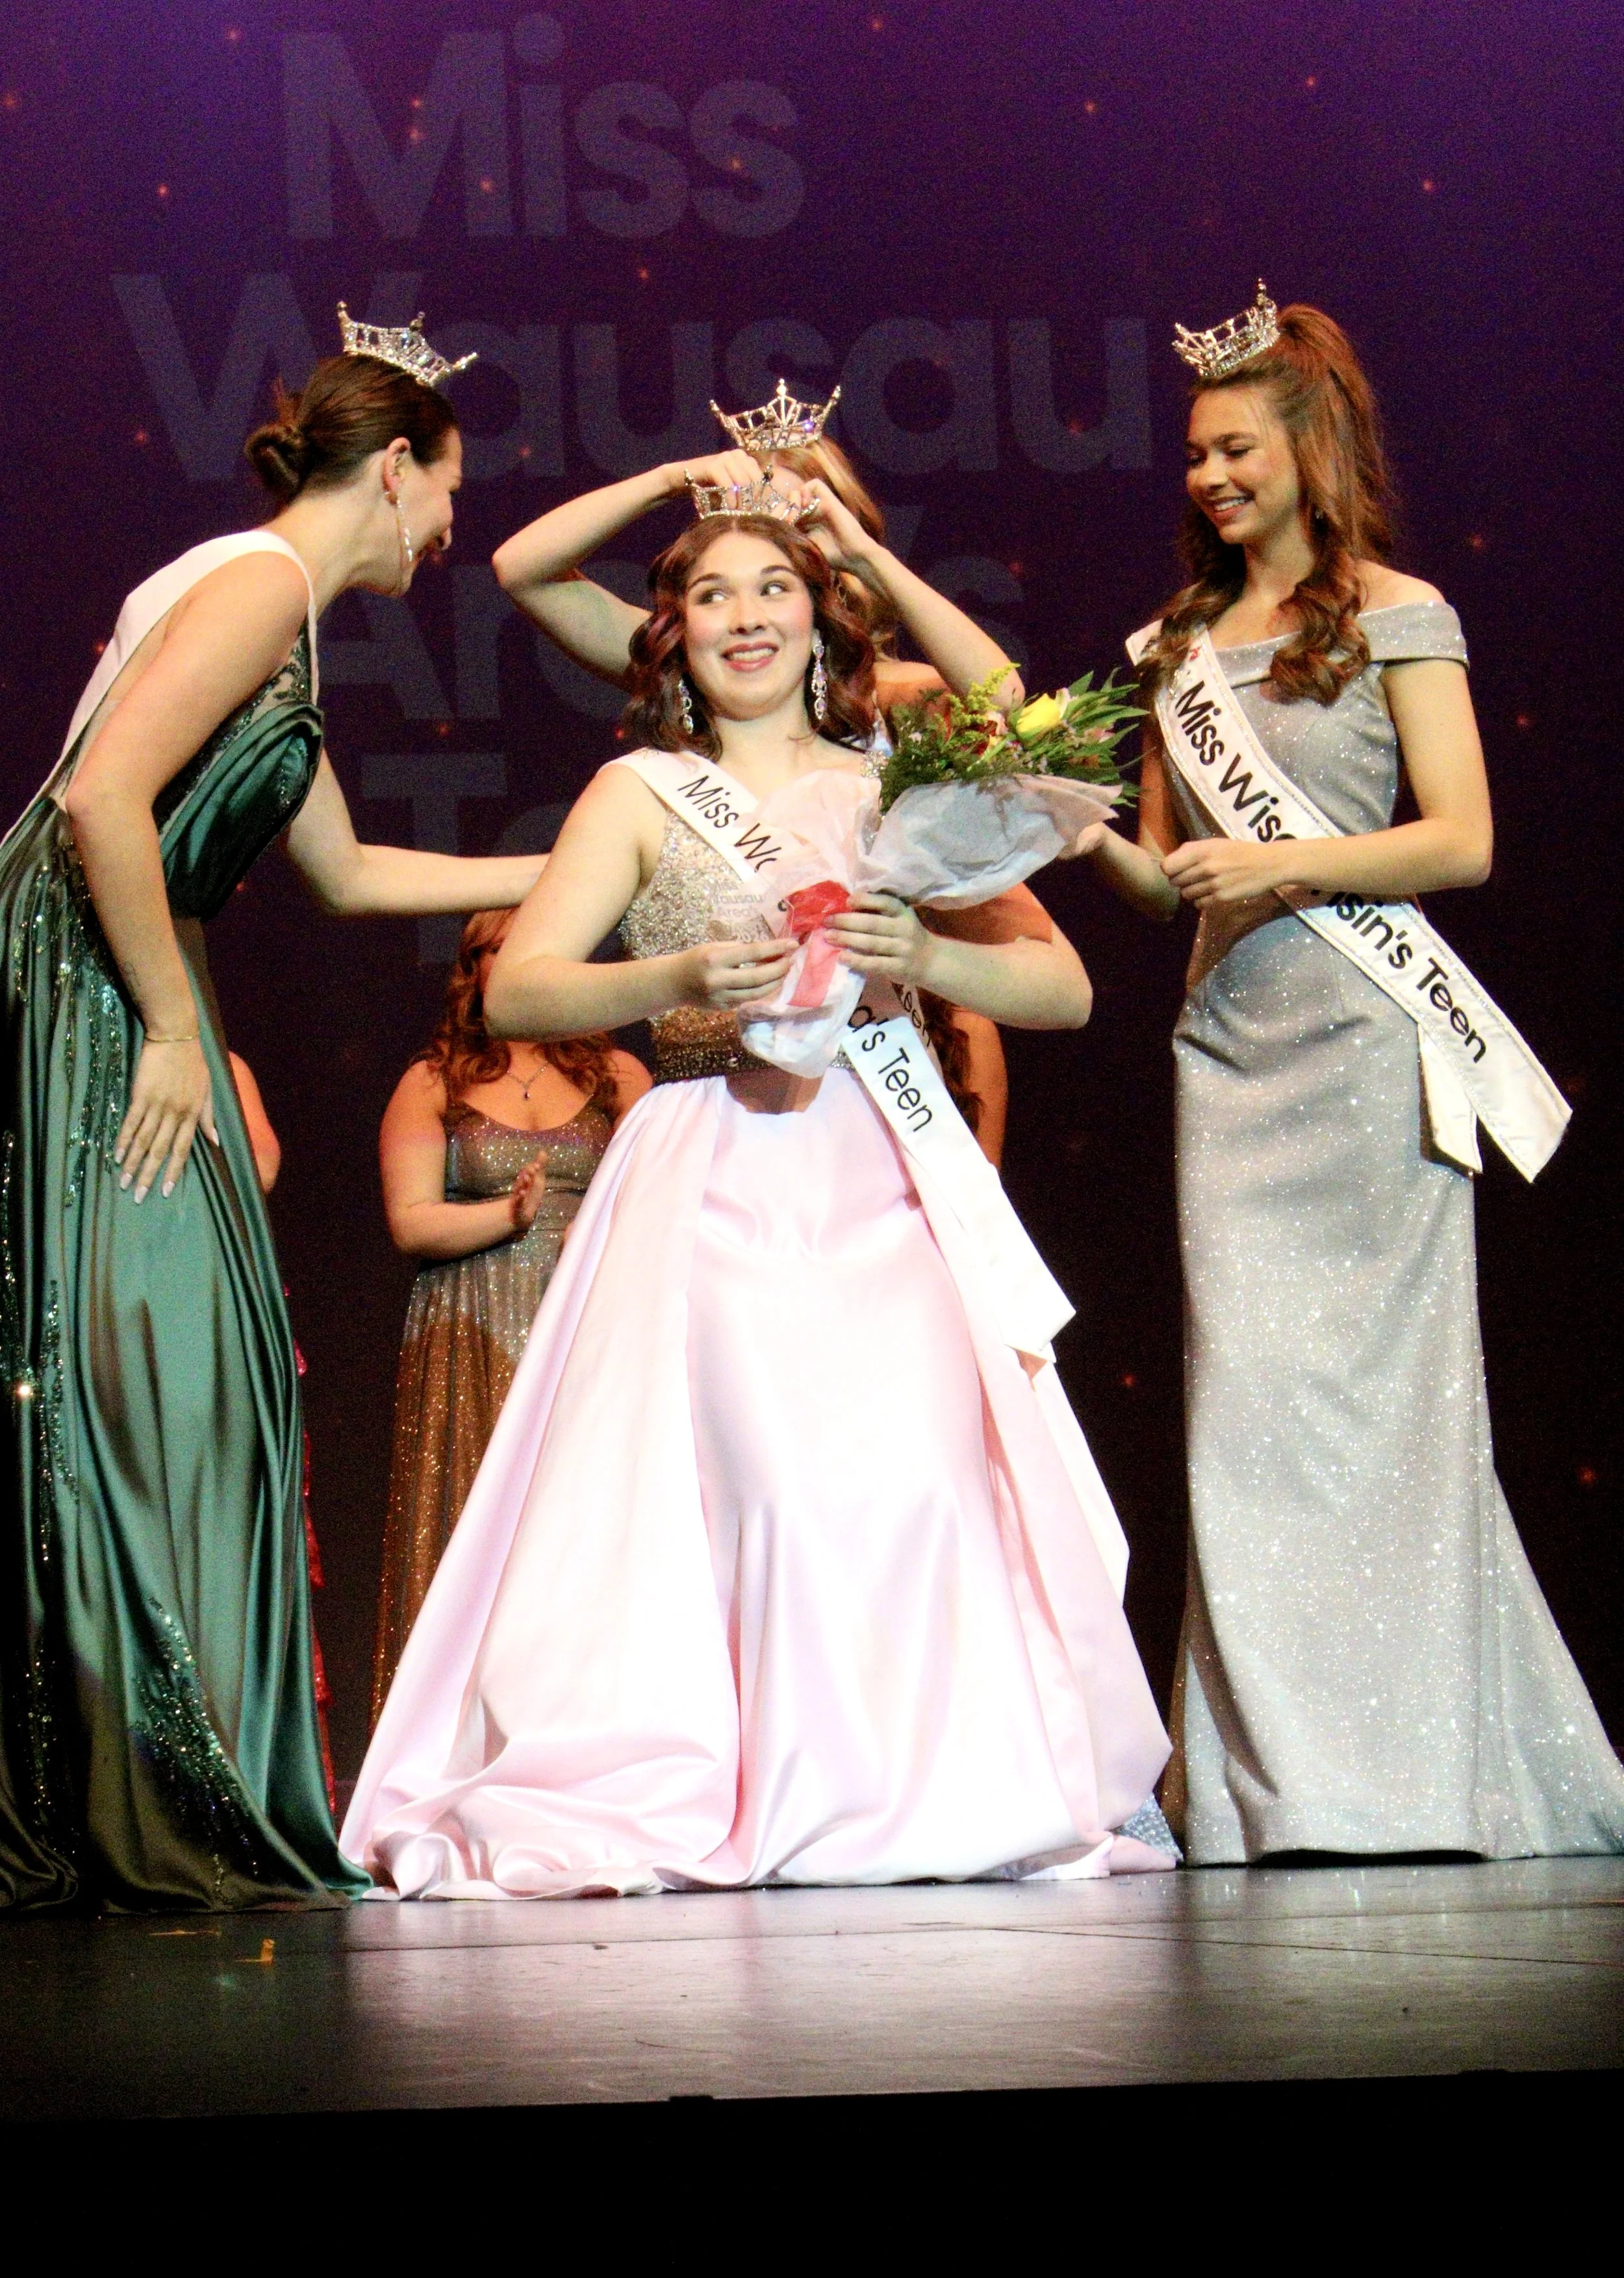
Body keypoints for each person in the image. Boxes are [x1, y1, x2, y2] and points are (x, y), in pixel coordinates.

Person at [344, 498, 1174, 1897]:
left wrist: (925, 947)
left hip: (880, 1167)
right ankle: (773, 1789)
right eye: (715, 594)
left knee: (916, 1480)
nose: (746, 615)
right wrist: (667, 980)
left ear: (816, 614)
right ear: (675, 634)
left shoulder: (899, 780)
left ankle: (919, 1791)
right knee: (773, 1489)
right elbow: (521, 983)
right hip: (714, 1166)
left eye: (772, 586)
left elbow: (1065, 989)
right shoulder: (640, 792)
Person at [0, 309, 546, 1912]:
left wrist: (597, 855)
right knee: (141, 1367)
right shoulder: (254, 588)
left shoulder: (269, 610)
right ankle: (133, 1778)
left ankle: (133, 1763)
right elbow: (100, 799)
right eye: (446, 494)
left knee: (187, 1362)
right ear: (394, 472)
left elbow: (356, 874)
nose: (451, 530)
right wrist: (173, 1025)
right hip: (101, 980)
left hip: (124, 970)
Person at [1080, 288, 1624, 1863]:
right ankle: (1277, 1788)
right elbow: (1172, 877)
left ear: (1312, 447)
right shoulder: (1175, 648)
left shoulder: (1401, 608)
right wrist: (1062, 827)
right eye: (1192, 453)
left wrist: (1277, 864)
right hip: (1230, 1063)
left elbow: (1462, 837)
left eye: (1235, 446)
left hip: (1368, 1052)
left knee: (1387, 1416)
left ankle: (1410, 1776)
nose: (1207, 477)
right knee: (1244, 1420)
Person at [370, 908, 650, 1719]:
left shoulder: (620, 1078)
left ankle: (593, 1734)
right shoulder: (434, 1081)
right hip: (475, 1323)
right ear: (477, 968)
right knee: (478, 1529)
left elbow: (664, 1197)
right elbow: (411, 1220)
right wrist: (507, 1219)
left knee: (589, 1528)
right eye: (503, 948)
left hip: (589, 1322)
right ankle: (458, 1741)